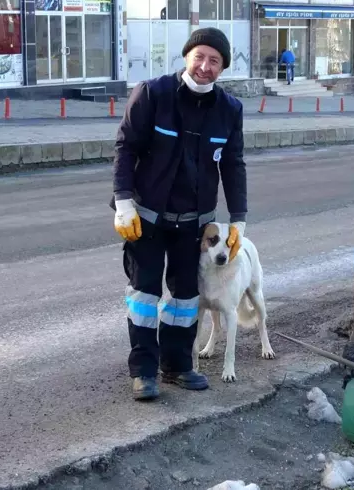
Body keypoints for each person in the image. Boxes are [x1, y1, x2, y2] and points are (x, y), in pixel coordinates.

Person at [111, 27, 248, 401]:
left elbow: (233, 164)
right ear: (187, 56)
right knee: (144, 294)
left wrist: (238, 218)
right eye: (200, 56)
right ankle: (143, 371)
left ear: (222, 68)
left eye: (215, 61)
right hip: (147, 219)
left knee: (186, 296)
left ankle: (176, 366)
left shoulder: (229, 111)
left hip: (194, 224)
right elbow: (125, 148)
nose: (205, 66)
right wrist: (123, 201)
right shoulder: (153, 94)